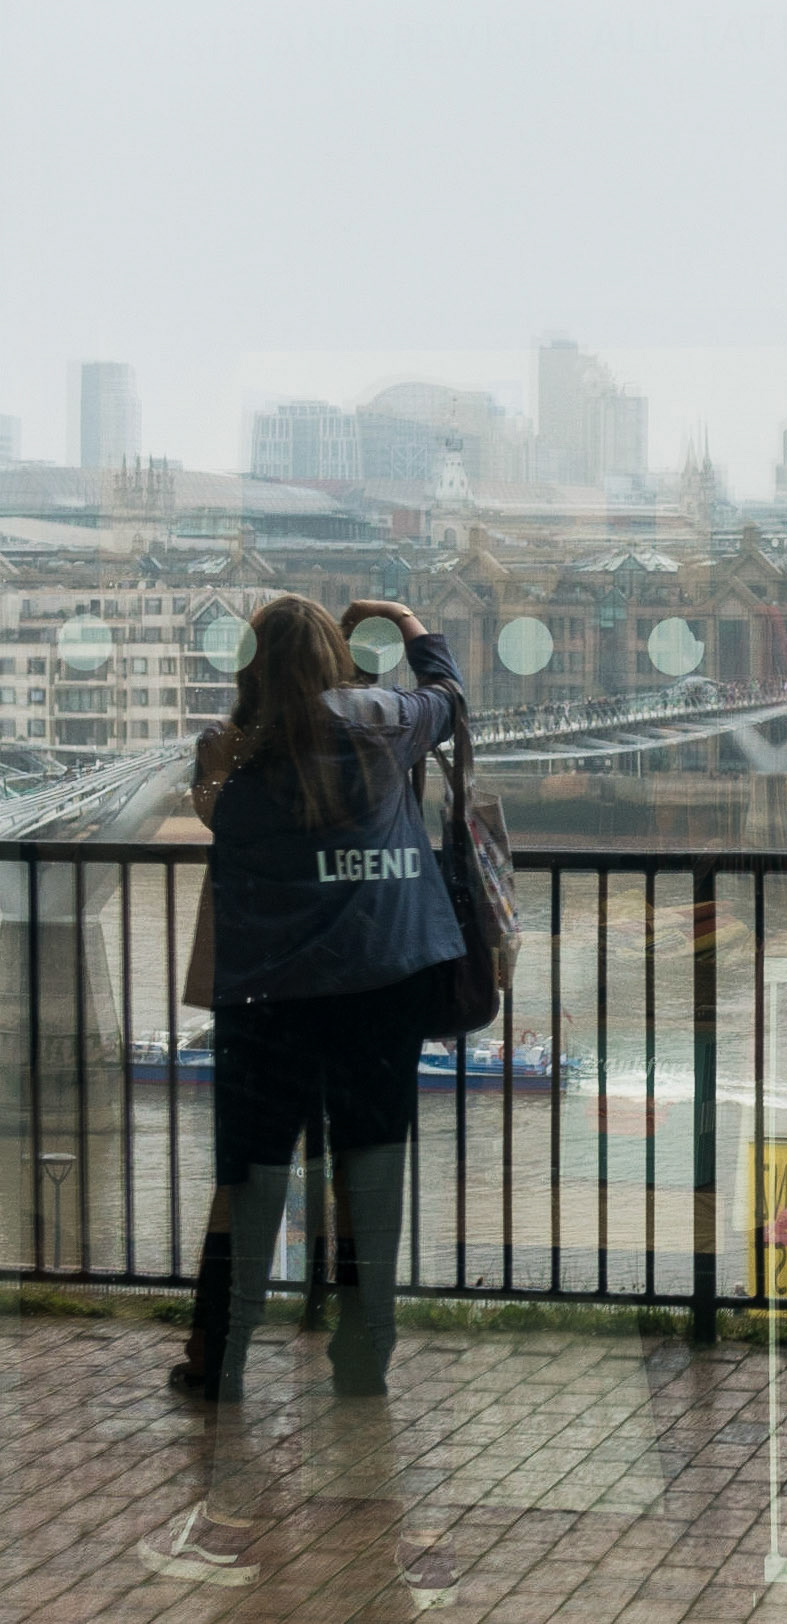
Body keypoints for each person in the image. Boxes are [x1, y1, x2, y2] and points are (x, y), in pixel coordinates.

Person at [139, 595, 464, 1607]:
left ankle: (222, 1358)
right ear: (335, 653)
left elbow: (210, 807)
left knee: (254, 1174)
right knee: (373, 1168)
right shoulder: (378, 722)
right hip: (381, 982)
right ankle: (362, 1352)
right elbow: (449, 698)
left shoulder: (229, 752)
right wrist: (406, 620)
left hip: (267, 994)